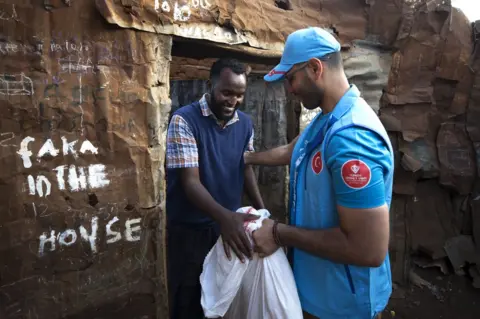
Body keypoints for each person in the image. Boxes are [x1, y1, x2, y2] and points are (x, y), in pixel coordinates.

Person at [247, 27, 394, 319]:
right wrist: (247, 158)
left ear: (315, 68)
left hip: (343, 305)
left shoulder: (351, 138)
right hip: (320, 293)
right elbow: (295, 150)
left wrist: (278, 233)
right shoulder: (326, 120)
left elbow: (368, 249)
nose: (290, 89)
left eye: (291, 78)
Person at [165, 58, 265, 319]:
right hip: (191, 230)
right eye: (227, 92)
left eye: (239, 95)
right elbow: (190, 183)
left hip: (227, 229)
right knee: (188, 299)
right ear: (210, 85)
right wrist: (227, 218)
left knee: (222, 298)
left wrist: (262, 210)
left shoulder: (245, 124)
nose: (233, 100)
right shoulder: (184, 121)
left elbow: (245, 168)